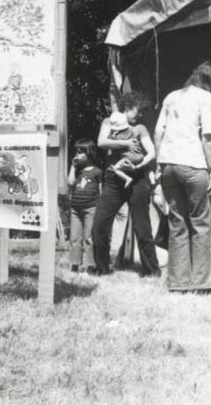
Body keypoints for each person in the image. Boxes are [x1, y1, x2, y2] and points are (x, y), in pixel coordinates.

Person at [154, 60, 211, 293]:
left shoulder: (171, 96)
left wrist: (159, 162)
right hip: (193, 165)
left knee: (178, 224)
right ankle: (202, 283)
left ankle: (178, 282)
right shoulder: (206, 98)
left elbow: (158, 132)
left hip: (169, 165)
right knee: (201, 224)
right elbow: (207, 136)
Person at [91, 91, 160, 277]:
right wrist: (126, 144)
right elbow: (101, 142)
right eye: (138, 111)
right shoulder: (109, 122)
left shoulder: (140, 129)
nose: (140, 116)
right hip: (114, 180)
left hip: (137, 180)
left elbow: (151, 153)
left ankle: (152, 271)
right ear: (128, 107)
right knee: (100, 224)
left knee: (143, 227)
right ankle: (102, 268)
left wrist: (139, 165)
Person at [67, 138, 101, 273]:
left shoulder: (97, 172)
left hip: (91, 208)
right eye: (76, 152)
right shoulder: (77, 170)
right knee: (75, 237)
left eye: (81, 152)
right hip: (75, 208)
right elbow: (70, 183)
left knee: (89, 237)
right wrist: (73, 167)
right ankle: (74, 265)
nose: (77, 155)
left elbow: (100, 191)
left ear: (89, 153)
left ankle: (90, 266)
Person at [105, 110, 145, 188]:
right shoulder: (131, 131)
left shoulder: (117, 137)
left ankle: (127, 179)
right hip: (140, 156)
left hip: (129, 158)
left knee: (116, 169)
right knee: (146, 168)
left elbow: (109, 143)